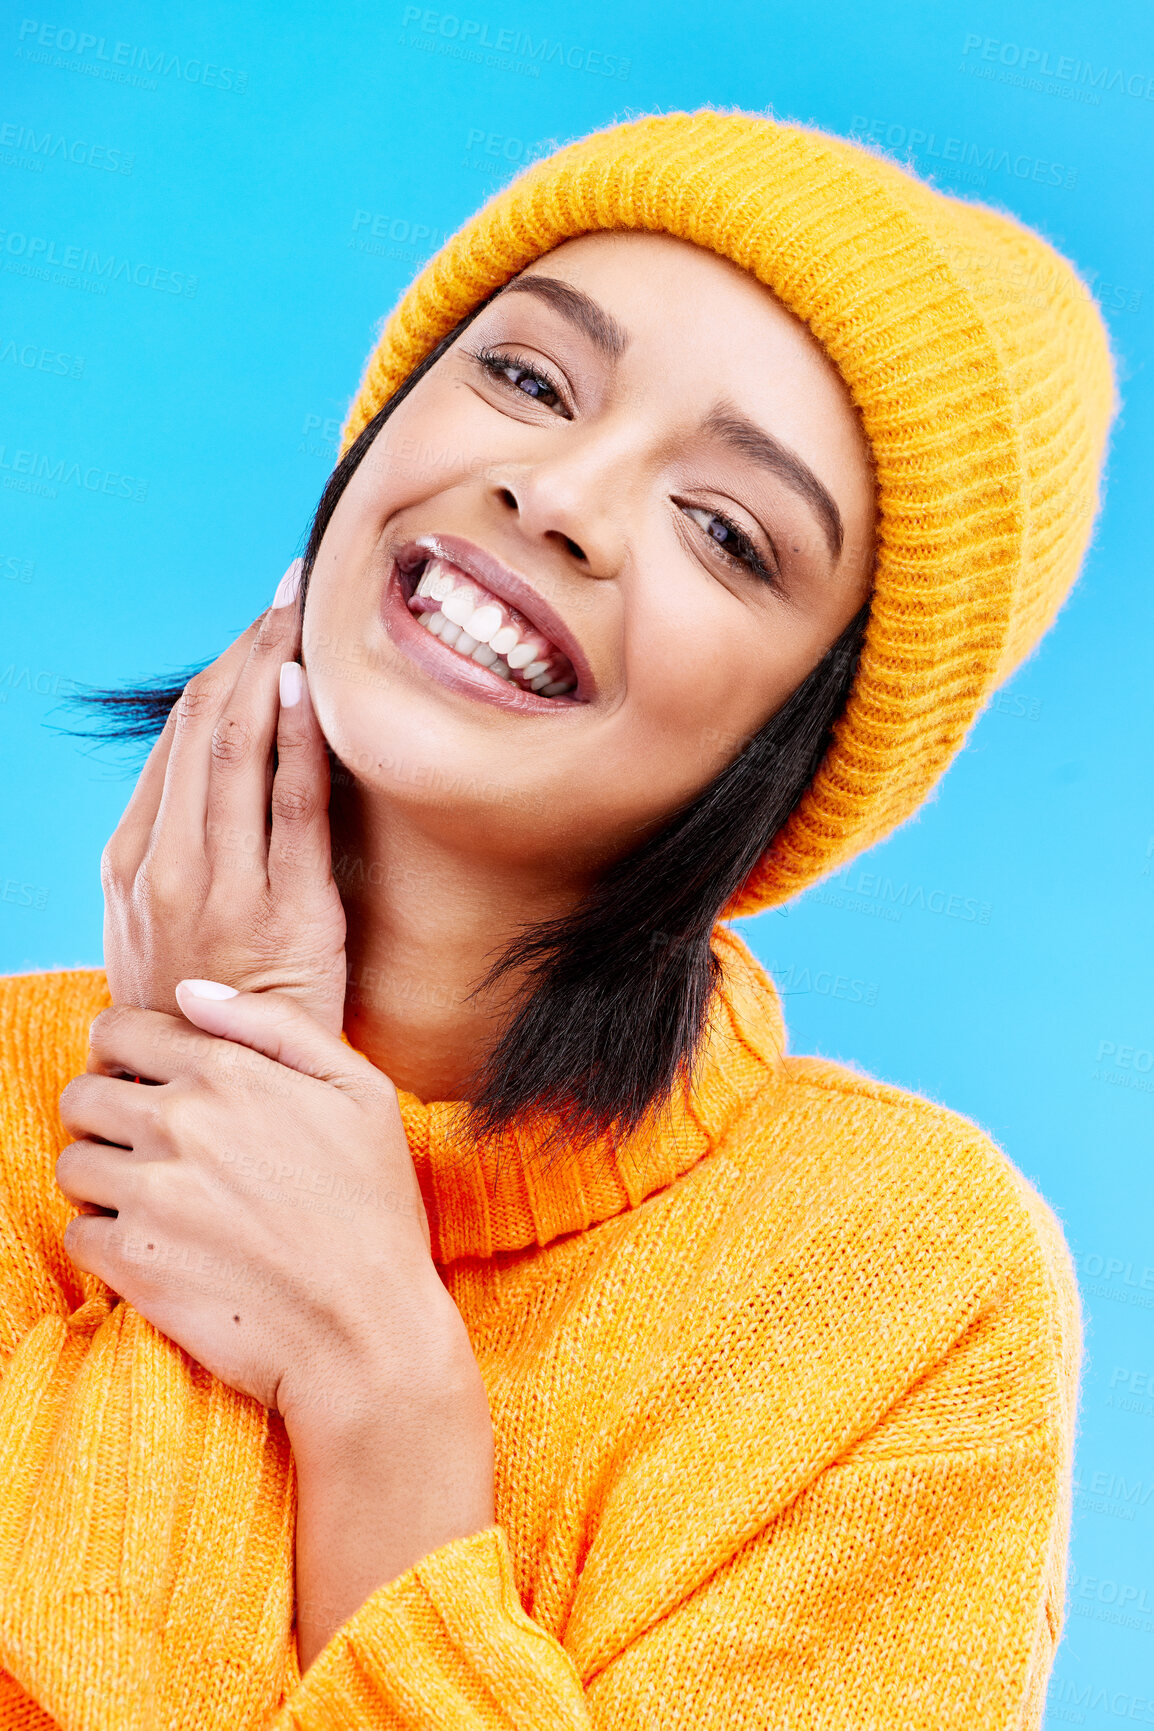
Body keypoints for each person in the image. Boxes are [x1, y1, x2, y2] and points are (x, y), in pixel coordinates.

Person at [0, 108, 1114, 1727]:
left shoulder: (904, 1287)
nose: (561, 496)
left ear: (798, 746)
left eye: (726, 533)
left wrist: (380, 1392)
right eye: (527, 380)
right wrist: (216, 1078)